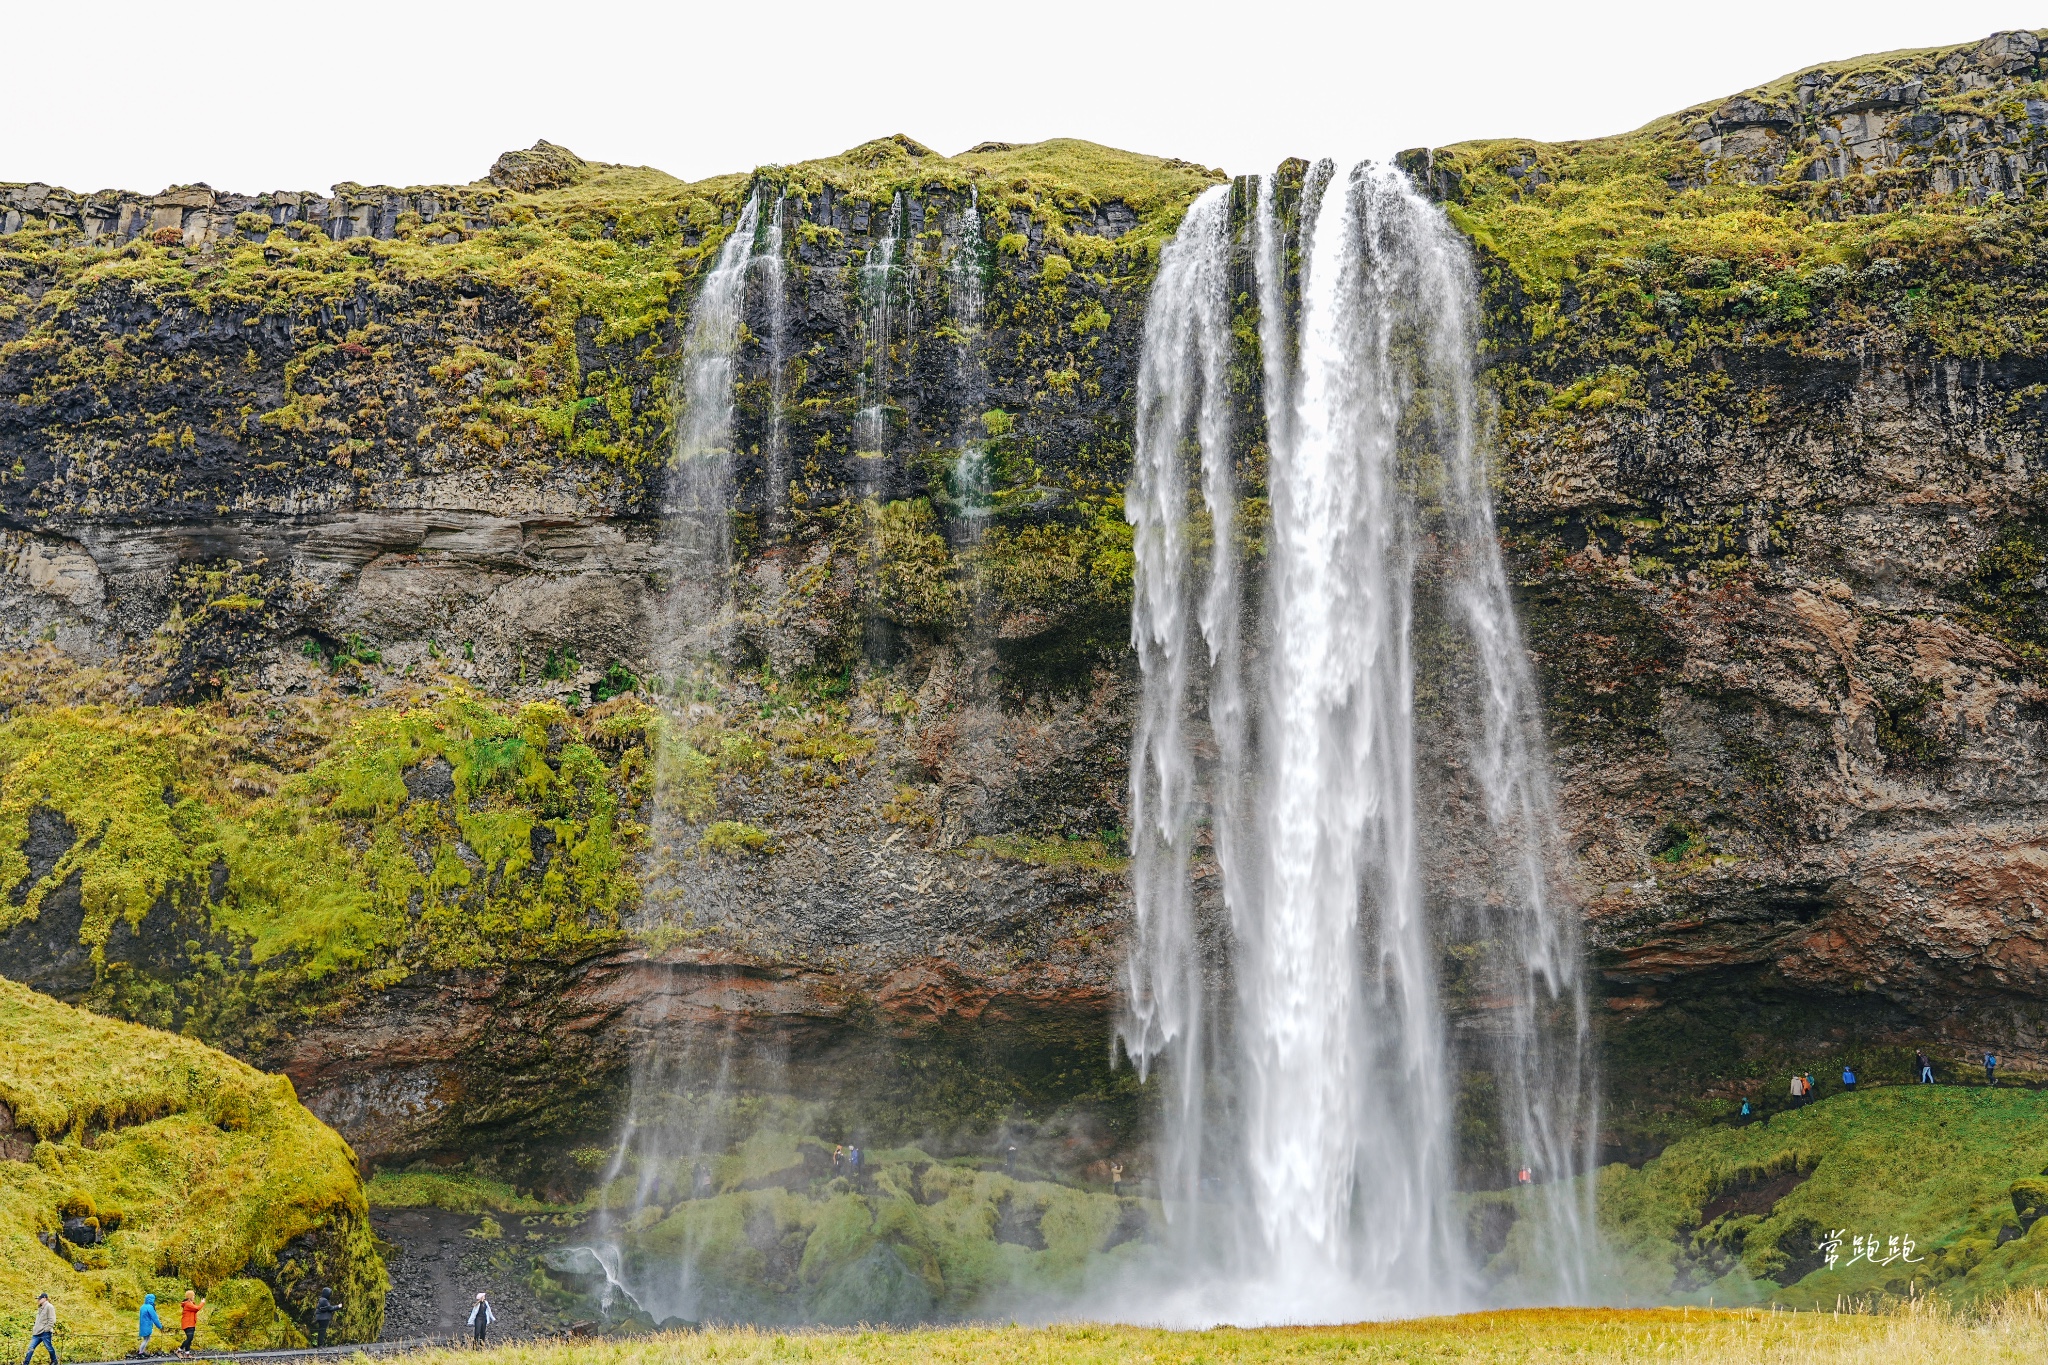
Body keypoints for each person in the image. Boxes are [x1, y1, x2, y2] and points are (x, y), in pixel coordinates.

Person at [24, 1292, 56, 1365]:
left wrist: (46, 1329)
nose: (38, 1300)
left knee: (49, 1348)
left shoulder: (49, 1307)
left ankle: (54, 1361)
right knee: (31, 1348)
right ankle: (25, 1363)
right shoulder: (40, 1307)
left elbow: (52, 1320)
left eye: (40, 1299)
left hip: (45, 1332)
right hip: (37, 1332)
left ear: (45, 1298)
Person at [137, 1293, 164, 1358]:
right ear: (151, 1300)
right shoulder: (150, 1307)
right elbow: (155, 1318)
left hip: (142, 1325)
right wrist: (160, 1326)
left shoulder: (142, 1306)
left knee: (146, 1339)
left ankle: (142, 1351)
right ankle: (140, 1353)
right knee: (146, 1339)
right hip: (147, 1325)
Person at [177, 1291, 204, 1356]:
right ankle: (179, 1350)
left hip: (191, 1323)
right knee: (190, 1338)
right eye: (193, 1296)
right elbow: (197, 1308)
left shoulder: (190, 1303)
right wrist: (202, 1303)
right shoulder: (188, 1304)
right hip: (188, 1324)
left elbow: (195, 1309)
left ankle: (187, 1353)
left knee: (189, 1339)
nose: (194, 1297)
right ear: (190, 1297)